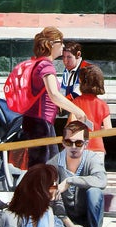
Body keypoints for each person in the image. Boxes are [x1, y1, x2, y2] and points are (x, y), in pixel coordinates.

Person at [14, 26, 89, 167]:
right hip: (41, 122)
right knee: (44, 166)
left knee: (45, 165)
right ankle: (37, 189)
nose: (63, 46)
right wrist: (78, 111)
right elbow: (54, 94)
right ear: (52, 44)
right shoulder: (46, 66)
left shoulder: (37, 63)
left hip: (35, 120)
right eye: (61, 42)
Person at [55, 120, 107, 227]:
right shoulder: (54, 163)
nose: (73, 147)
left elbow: (101, 181)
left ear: (86, 144)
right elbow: (50, 197)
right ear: (63, 143)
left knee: (95, 192)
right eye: (69, 142)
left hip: (88, 216)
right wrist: (69, 224)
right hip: (64, 218)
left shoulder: (92, 158)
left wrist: (70, 180)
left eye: (78, 143)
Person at [73, 63, 112, 153]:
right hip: (98, 148)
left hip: (80, 147)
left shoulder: (76, 102)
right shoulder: (103, 105)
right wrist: (97, 128)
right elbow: (109, 130)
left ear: (81, 81)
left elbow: (71, 126)